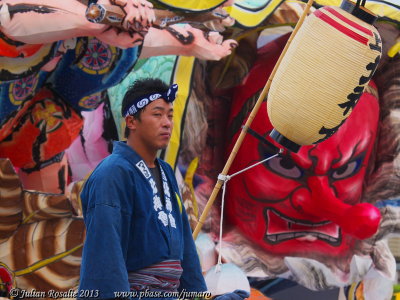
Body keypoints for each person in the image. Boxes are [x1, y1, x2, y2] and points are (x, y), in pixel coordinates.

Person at [78, 78, 207, 299]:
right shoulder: (112, 173)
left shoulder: (166, 171)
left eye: (170, 115)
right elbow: (105, 249)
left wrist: (196, 295)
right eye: (157, 114)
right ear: (131, 121)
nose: (167, 123)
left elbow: (184, 241)